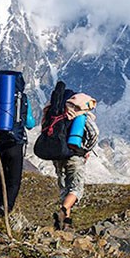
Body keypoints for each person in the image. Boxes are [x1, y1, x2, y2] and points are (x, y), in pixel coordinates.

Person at [0, 72, 36, 217]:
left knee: (1, 177)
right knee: (14, 179)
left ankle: (0, 206)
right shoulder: (22, 98)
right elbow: (30, 123)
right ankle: (7, 208)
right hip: (15, 143)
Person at [52, 92, 97, 232]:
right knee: (76, 190)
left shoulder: (59, 114)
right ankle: (63, 210)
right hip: (75, 156)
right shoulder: (81, 115)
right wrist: (86, 150)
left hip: (58, 156)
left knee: (65, 189)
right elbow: (94, 133)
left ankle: (65, 224)